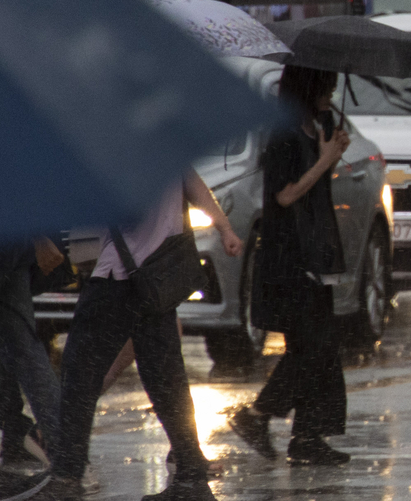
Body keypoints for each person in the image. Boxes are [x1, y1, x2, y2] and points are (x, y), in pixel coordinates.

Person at [29, 173, 242, 501]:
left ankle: (66, 477)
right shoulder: (163, 131)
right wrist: (224, 228)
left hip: (122, 273)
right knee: (164, 376)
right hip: (157, 275)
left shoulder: (122, 135)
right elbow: (190, 180)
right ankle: (190, 479)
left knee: (80, 371)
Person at [225, 65, 353, 465]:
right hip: (289, 254)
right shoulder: (282, 132)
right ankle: (256, 414)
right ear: (306, 86)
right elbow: (284, 195)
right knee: (312, 346)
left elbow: (314, 186)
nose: (330, 94)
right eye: (325, 86)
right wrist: (325, 158)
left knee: (320, 345)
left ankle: (308, 436)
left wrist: (329, 151)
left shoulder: (320, 124)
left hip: (315, 249)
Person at [0, 241, 56, 471]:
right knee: (21, 347)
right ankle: (68, 456)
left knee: (21, 347)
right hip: (10, 244)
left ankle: (66, 455)